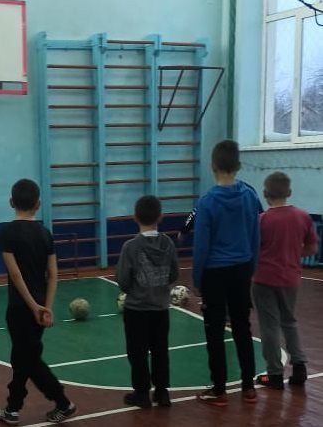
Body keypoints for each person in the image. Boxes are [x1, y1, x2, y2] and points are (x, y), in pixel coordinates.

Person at [0, 179, 76, 425]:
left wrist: (33, 306)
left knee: (28, 360)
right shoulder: (45, 233)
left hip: (20, 308)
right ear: (38, 204)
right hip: (39, 309)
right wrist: (45, 307)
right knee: (22, 358)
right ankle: (12, 408)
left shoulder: (6, 233)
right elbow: (54, 274)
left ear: (11, 202)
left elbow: (15, 274)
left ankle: (63, 403)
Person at [192, 140, 260, 406]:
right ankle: (248, 387)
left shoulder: (207, 202)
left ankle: (219, 390)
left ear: (213, 166)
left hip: (215, 273)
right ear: (238, 165)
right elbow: (255, 238)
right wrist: (250, 268)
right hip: (241, 270)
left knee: (215, 331)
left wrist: (198, 279)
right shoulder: (250, 196)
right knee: (243, 327)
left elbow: (201, 246)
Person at [252, 172, 318, 389]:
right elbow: (312, 247)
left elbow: (253, 250)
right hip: (290, 278)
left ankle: (275, 374)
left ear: (265, 193)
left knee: (269, 326)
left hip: (264, 279)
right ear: (289, 192)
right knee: (289, 321)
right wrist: (293, 254)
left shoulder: (261, 220)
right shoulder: (302, 216)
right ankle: (299, 367)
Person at [116, 195, 179, 408]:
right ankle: (162, 393)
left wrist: (134, 289)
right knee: (161, 350)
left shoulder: (130, 247)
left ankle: (142, 394)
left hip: (137, 310)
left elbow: (123, 280)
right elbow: (174, 273)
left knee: (138, 353)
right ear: (160, 217)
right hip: (161, 308)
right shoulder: (168, 243)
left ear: (135, 217)